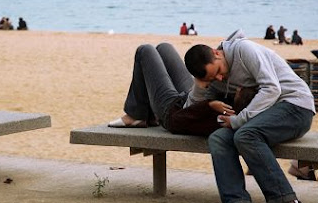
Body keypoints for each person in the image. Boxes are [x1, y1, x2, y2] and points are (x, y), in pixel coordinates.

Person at [184, 29, 315, 203]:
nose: (219, 78)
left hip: (295, 107)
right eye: (212, 78)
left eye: (218, 71)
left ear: (216, 52)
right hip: (263, 117)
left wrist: (239, 120)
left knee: (246, 135)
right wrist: (200, 86)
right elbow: (188, 111)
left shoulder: (244, 50)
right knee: (218, 138)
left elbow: (272, 89)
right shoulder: (215, 77)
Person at [107, 43, 256, 136]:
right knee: (164, 47)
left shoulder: (226, 117)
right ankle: (147, 115)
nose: (237, 87)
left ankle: (137, 115)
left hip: (172, 111)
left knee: (144, 51)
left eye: (238, 91)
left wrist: (207, 103)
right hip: (189, 97)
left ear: (239, 102)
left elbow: (181, 118)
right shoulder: (238, 99)